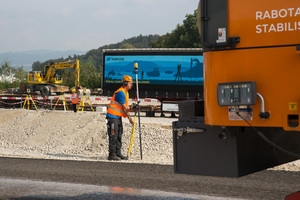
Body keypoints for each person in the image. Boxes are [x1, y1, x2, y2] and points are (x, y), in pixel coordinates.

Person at [106, 75, 134, 161]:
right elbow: (124, 108)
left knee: (119, 135)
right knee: (113, 135)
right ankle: (111, 155)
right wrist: (130, 118)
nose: (131, 85)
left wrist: (131, 107)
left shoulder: (126, 93)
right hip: (112, 117)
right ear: (125, 83)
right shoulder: (121, 92)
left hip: (117, 117)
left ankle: (118, 153)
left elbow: (125, 107)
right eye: (130, 83)